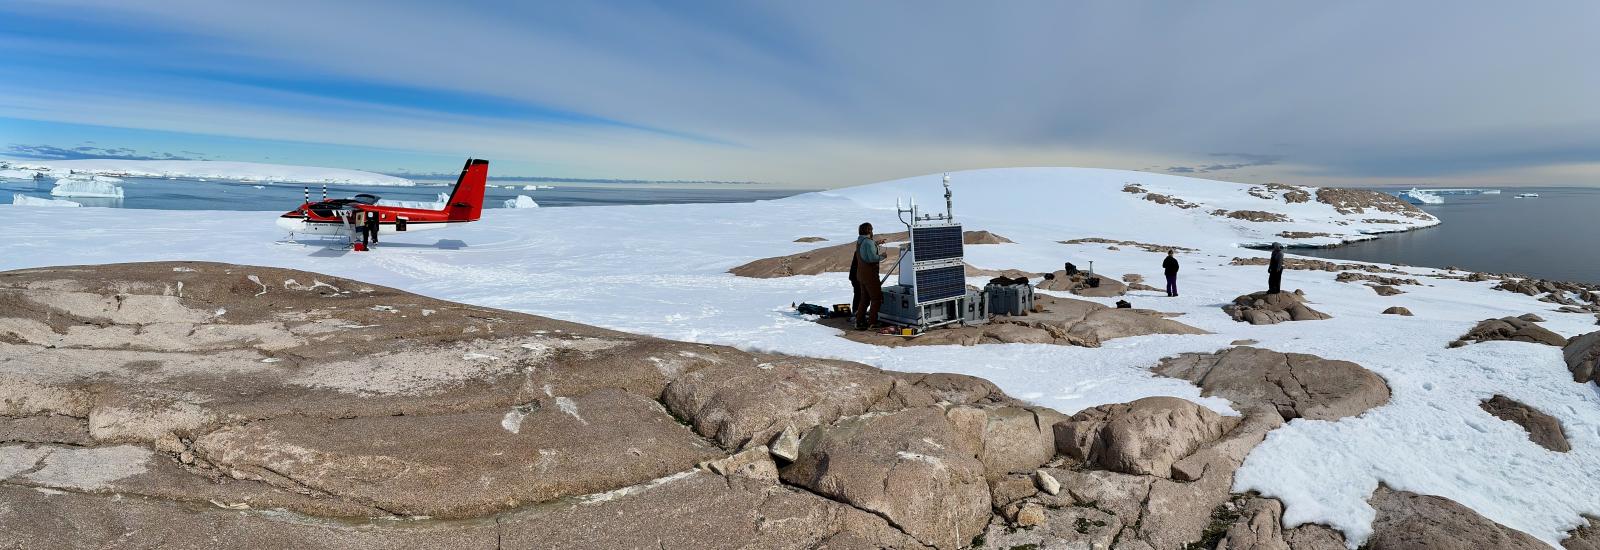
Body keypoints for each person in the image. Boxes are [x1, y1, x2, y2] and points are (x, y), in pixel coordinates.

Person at [851, 222, 884, 330]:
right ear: (869, 230)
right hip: (870, 276)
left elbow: (866, 250)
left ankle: (859, 322)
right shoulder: (868, 242)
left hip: (861, 275)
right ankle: (872, 323)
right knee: (876, 299)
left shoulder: (860, 241)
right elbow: (872, 258)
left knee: (864, 299)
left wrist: (876, 243)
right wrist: (882, 256)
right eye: (871, 229)